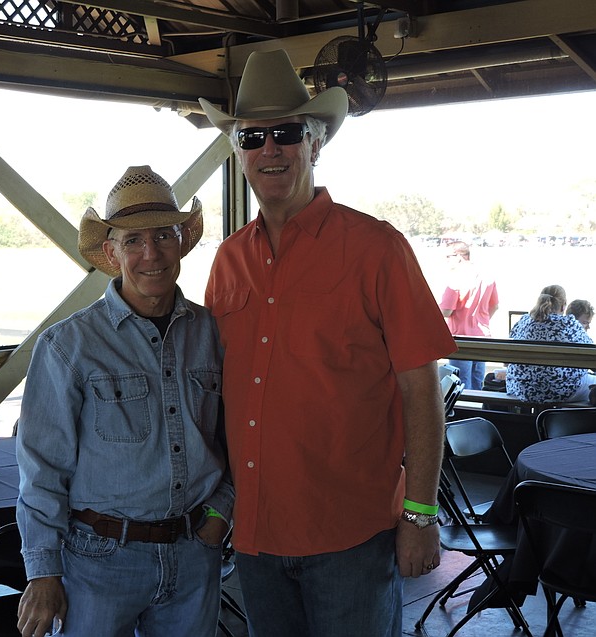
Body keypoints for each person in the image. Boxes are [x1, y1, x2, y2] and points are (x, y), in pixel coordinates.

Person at [198, 49, 456, 636]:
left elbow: (422, 391)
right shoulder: (228, 260)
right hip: (258, 537)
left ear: (315, 143)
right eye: (252, 136)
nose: (269, 149)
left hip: (351, 538)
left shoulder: (377, 248)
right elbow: (215, 395)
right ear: (238, 153)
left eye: (286, 133)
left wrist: (420, 513)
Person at [15, 166, 233, 637]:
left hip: (195, 554)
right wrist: (43, 571)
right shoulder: (67, 346)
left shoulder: (213, 334)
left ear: (182, 244)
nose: (150, 253)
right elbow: (42, 468)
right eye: (133, 240)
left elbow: (240, 437)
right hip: (98, 562)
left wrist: (222, 509)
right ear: (111, 252)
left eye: (163, 236)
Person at [507, 285, 596, 403]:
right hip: (559, 391)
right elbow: (590, 353)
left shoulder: (524, 321)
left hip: (523, 389)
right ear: (563, 305)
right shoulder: (568, 324)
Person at [438, 241, 499, 389]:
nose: (446, 261)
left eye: (448, 256)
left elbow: (446, 311)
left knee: (461, 382)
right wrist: (481, 319)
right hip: (483, 336)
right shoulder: (487, 276)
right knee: (478, 381)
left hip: (461, 338)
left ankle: (465, 412)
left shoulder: (456, 278)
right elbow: (495, 306)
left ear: (458, 256)